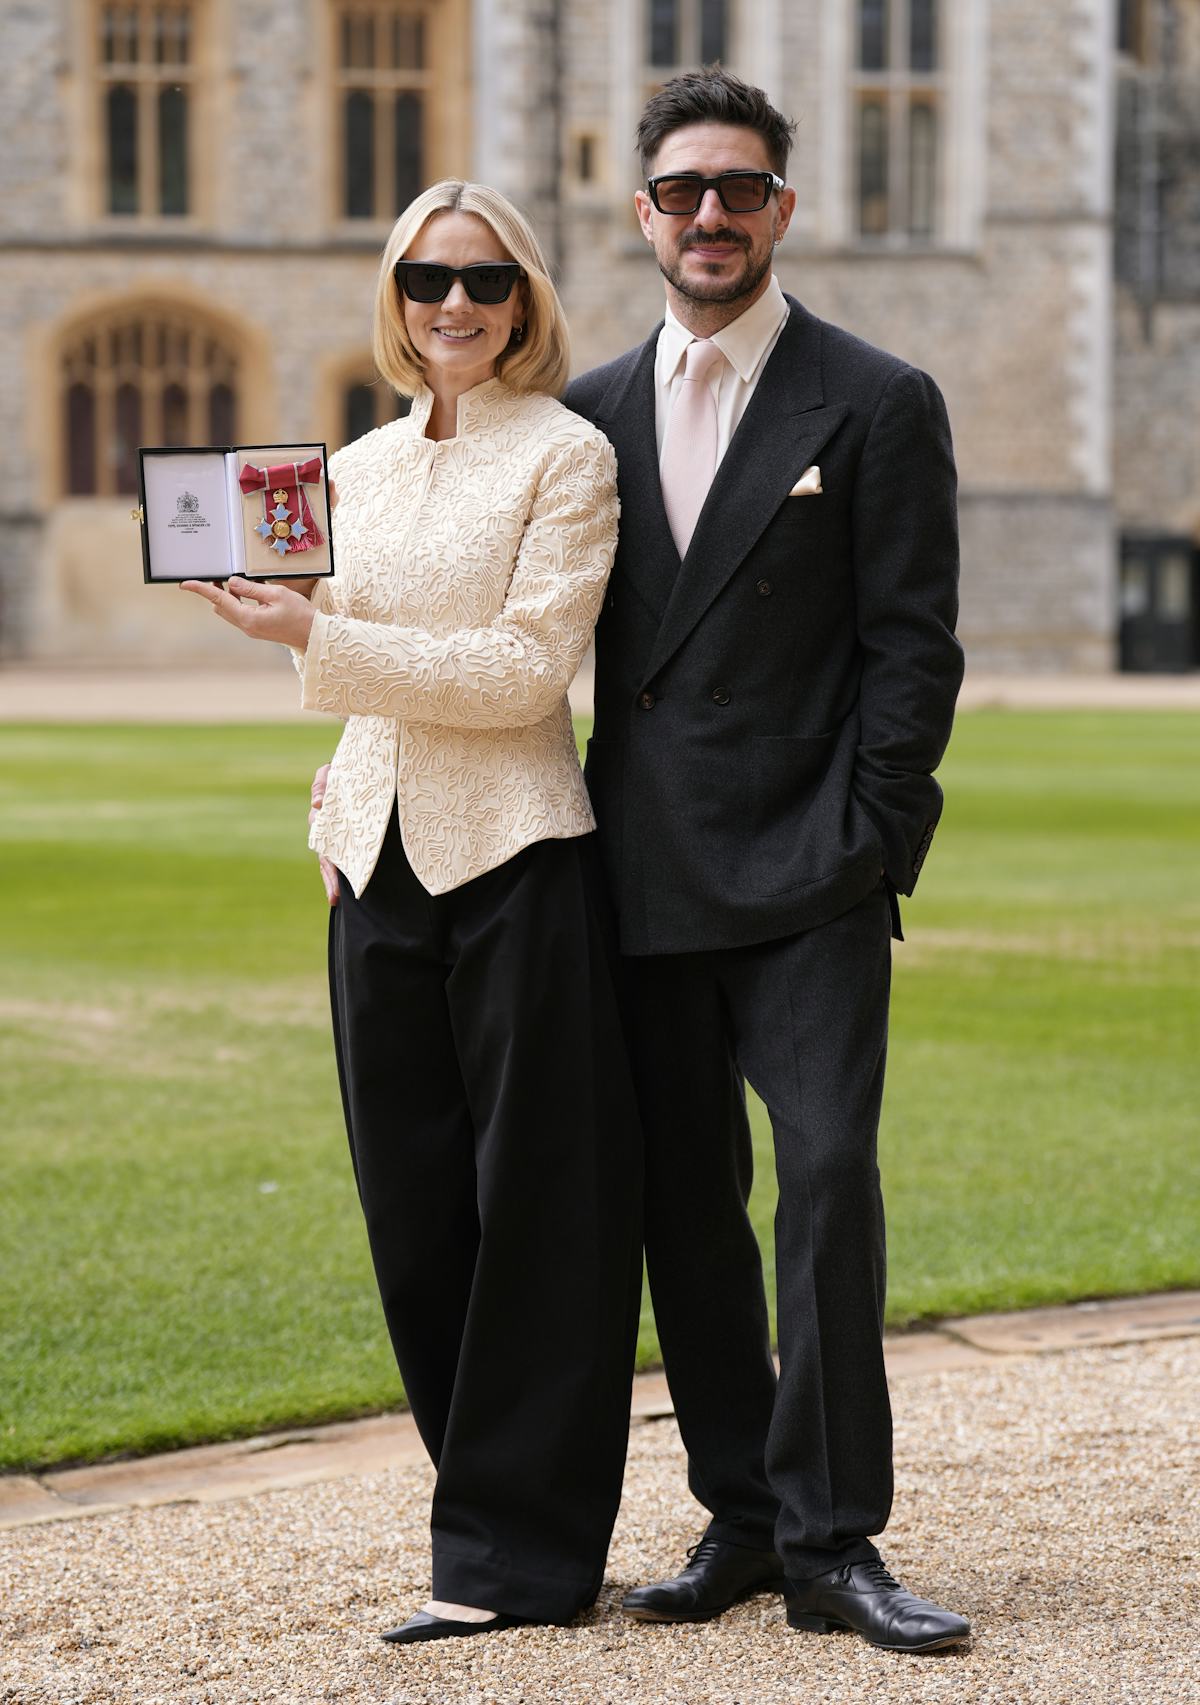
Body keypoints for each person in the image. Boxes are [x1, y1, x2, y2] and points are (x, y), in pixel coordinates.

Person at [182, 179, 643, 1646]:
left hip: (516, 855)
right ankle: (492, 1514)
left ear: (525, 300)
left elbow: (521, 677)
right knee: (414, 1210)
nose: (456, 303)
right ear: (395, 293)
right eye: (430, 277)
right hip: (373, 867)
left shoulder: (570, 458)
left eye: (486, 280)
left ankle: (526, 1557)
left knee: (544, 1219)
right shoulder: (355, 468)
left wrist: (317, 635)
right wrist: (328, 785)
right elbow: (355, 669)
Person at [559, 68, 970, 1654]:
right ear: (643, 211)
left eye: (739, 190)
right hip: (639, 871)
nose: (710, 216)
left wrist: (870, 838)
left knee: (827, 1183)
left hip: (809, 873)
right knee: (687, 1208)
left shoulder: (876, 398)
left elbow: (911, 650)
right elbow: (515, 648)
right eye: (682, 192)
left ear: (781, 209)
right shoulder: (583, 412)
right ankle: (741, 1507)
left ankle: (835, 1537)